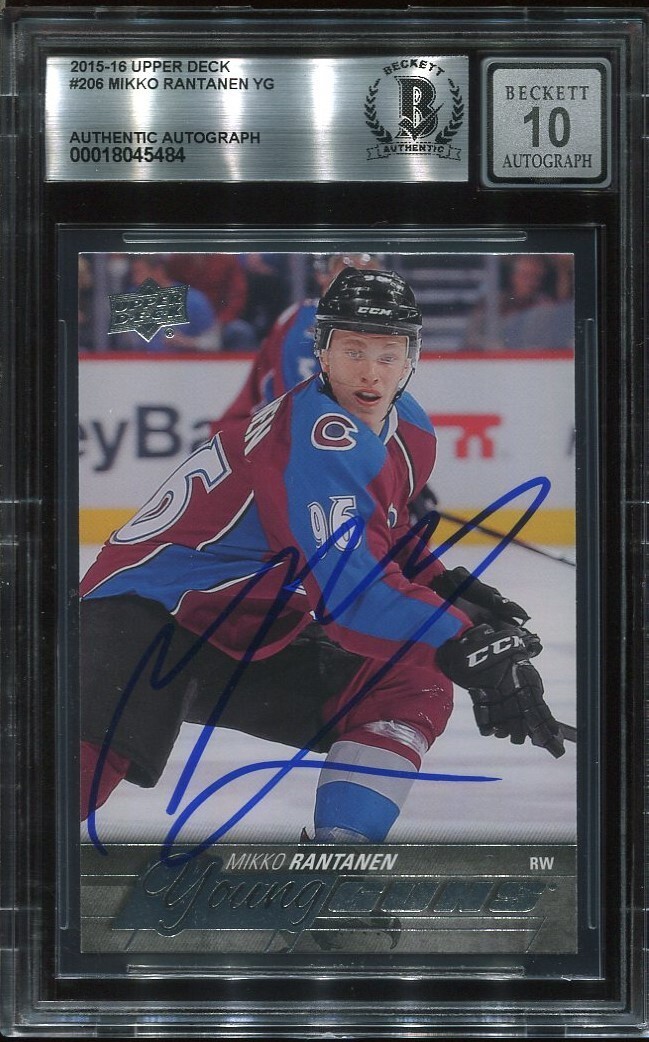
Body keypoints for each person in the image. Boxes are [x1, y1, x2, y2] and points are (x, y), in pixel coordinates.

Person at [79, 268, 564, 855]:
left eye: (388, 354)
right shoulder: (316, 437)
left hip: (240, 626)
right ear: (323, 352)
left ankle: (337, 864)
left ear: (412, 359)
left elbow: (382, 538)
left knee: (407, 680)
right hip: (141, 617)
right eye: (352, 350)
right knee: (64, 793)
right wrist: (467, 644)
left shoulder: (410, 428)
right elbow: (353, 603)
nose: (370, 371)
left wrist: (450, 595)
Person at [217, 253, 382, 427]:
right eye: (348, 269)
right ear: (323, 275)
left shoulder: (385, 325)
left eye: (368, 270)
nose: (360, 279)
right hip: (284, 429)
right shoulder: (301, 320)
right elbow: (294, 402)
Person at [114, 255, 221, 353]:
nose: (135, 280)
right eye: (134, 274)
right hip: (142, 364)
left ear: (158, 271)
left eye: (140, 273)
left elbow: (213, 343)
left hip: (183, 364)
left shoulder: (193, 300)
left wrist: (187, 342)